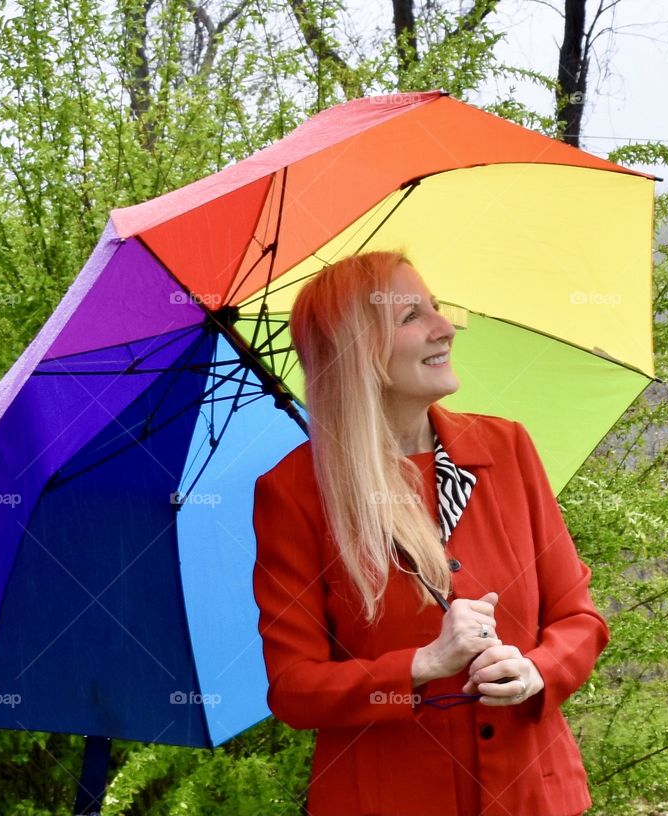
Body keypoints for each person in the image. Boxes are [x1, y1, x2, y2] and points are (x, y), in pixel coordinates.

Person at [252, 251, 609, 816]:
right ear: (357, 354)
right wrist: (423, 663)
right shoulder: (295, 492)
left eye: (436, 307)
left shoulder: (507, 450)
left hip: (531, 794)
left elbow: (578, 617)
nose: (445, 327)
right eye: (411, 316)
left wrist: (537, 671)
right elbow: (294, 688)